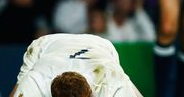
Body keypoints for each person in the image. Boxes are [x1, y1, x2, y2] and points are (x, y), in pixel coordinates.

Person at [10, 33, 142, 97]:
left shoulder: (111, 82)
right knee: (21, 83)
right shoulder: (35, 82)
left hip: (100, 47)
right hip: (44, 47)